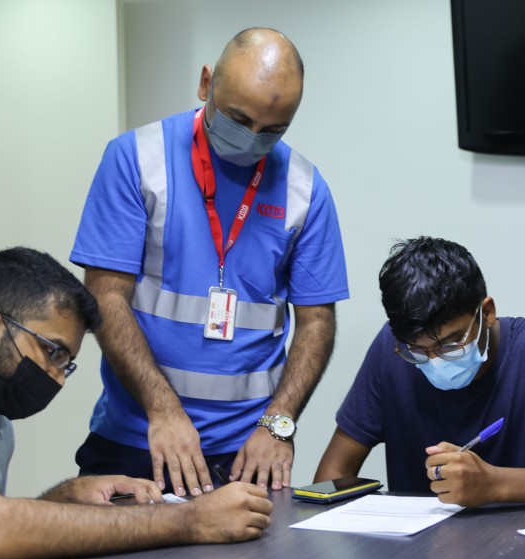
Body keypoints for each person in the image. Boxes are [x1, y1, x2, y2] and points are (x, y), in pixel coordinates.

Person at [70, 28, 348, 497]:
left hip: (249, 454)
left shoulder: (305, 188)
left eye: (273, 130)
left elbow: (317, 320)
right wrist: (163, 410)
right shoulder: (138, 158)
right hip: (140, 439)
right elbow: (105, 296)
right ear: (205, 84)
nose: (251, 139)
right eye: (239, 119)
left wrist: (279, 424)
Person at [0, 248, 273, 559]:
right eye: (53, 352)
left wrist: (67, 497)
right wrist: (190, 519)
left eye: (66, 364)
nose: (58, 379)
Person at [313, 237, 525, 507]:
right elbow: (335, 471)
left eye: (451, 343)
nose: (435, 361)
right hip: (418, 546)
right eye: (419, 350)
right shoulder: (391, 349)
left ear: (487, 312)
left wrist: (495, 484)